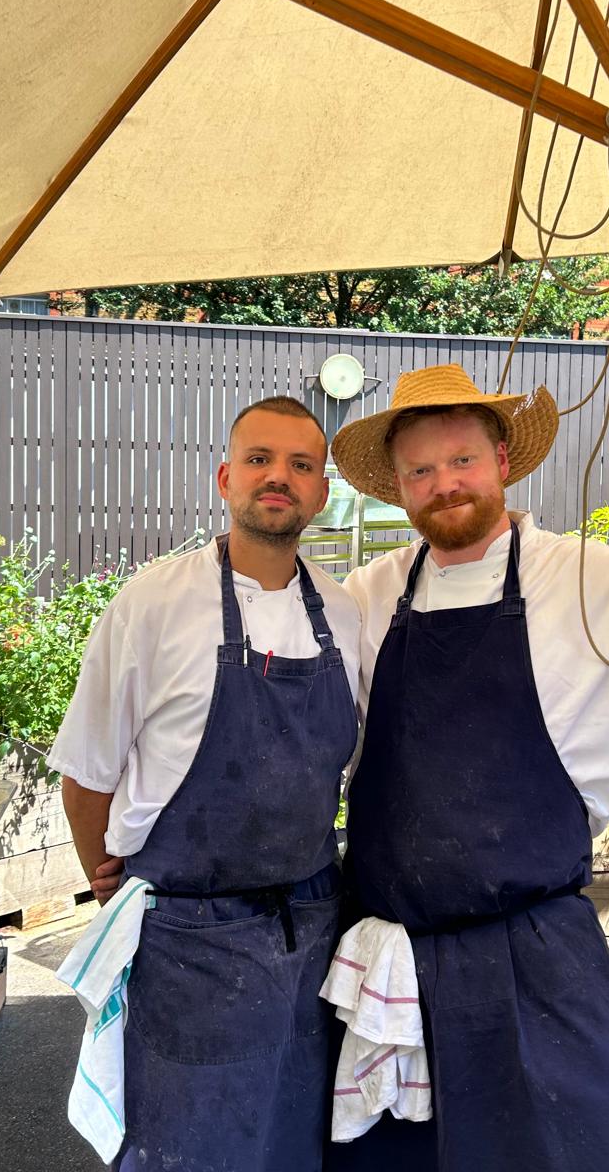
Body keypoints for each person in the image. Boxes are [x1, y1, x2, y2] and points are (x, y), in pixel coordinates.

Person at [324, 364, 609, 1171]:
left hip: (533, 964)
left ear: (503, 458)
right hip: (392, 969)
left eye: (461, 459)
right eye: (421, 471)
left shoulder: (587, 578)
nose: (445, 484)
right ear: (397, 487)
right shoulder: (371, 593)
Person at [51, 396, 362, 1171]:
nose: (278, 478)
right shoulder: (153, 603)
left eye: (299, 465)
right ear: (226, 478)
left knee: (295, 1141)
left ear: (322, 492)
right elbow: (88, 778)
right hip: (189, 946)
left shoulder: (348, 616)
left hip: (311, 932)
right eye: (259, 459)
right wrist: (110, 878)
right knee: (189, 1149)